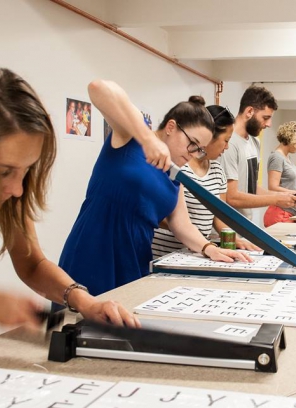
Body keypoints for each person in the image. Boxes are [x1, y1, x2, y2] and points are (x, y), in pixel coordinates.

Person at [0, 66, 138, 363]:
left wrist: (83, 301)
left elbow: (32, 263)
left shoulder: (11, 189)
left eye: (26, 170)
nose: (17, 189)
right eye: (4, 172)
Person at [59, 81, 251, 297]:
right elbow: (98, 88)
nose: (193, 153)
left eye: (199, 149)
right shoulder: (130, 138)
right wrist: (147, 138)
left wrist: (210, 248)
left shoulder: (175, 175)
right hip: (93, 251)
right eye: (192, 143)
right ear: (171, 127)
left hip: (134, 260)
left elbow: (181, 225)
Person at [152, 106, 261, 257]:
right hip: (163, 252)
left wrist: (222, 243)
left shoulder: (212, 170)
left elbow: (209, 217)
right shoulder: (173, 163)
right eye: (226, 141)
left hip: (192, 252)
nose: (227, 147)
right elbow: (161, 216)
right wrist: (196, 237)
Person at [219, 86, 296, 219]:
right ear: (249, 111)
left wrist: (283, 196)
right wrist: (275, 200)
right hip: (227, 226)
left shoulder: (254, 142)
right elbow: (231, 197)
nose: (269, 124)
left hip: (245, 223)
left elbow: (252, 188)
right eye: (265, 118)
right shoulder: (230, 143)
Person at [263, 121, 296, 227]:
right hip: (280, 213)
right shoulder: (277, 157)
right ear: (293, 138)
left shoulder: (287, 157)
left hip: (291, 212)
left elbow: (289, 185)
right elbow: (273, 187)